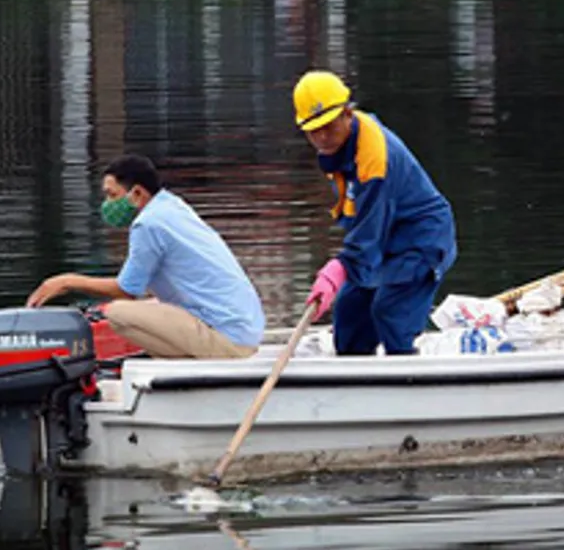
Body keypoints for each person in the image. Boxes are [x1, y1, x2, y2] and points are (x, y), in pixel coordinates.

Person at [26, 154, 265, 359]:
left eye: (112, 195)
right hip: (245, 332)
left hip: (230, 342)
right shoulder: (172, 207)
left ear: (137, 193)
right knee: (149, 305)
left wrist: (66, 281)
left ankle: (185, 364)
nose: (107, 204)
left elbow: (126, 290)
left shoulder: (148, 224)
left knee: (118, 313)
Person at [294, 70, 457, 356]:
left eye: (328, 126)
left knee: (390, 313)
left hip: (421, 240)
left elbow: (368, 232)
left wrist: (336, 271)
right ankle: (353, 382)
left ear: (347, 113)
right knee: (349, 316)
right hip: (384, 240)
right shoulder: (339, 149)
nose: (321, 137)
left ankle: (407, 379)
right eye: (312, 130)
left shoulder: (376, 159)